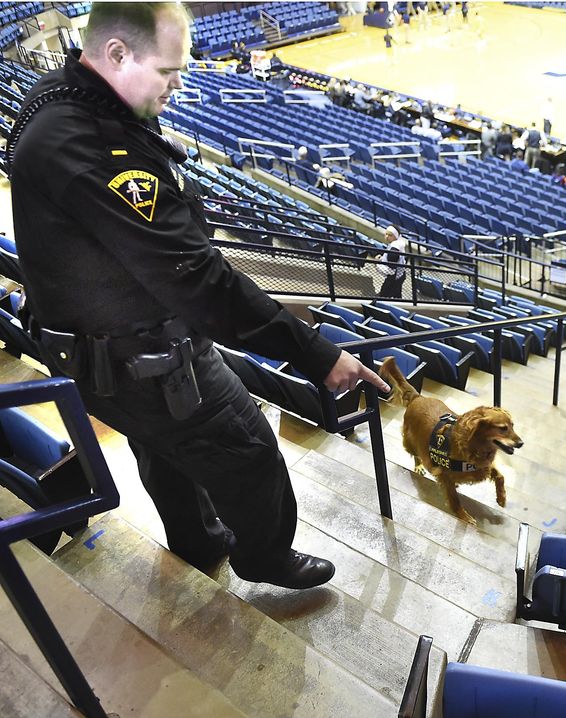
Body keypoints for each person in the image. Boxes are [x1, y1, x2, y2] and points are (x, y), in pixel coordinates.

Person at [8, 2, 390, 590]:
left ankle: (196, 543)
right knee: (249, 448)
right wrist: (317, 355)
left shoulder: (68, 96)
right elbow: (200, 281)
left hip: (102, 353)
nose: (179, 83)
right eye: (168, 71)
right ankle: (263, 558)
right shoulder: (87, 151)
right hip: (138, 355)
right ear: (117, 54)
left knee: (164, 448)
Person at [377, 225, 407, 298]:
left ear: (396, 236)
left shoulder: (395, 248)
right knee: (396, 295)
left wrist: (379, 262)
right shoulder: (397, 243)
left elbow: (391, 266)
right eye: (386, 234)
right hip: (398, 275)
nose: (387, 236)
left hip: (395, 276)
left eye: (390, 235)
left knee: (385, 294)